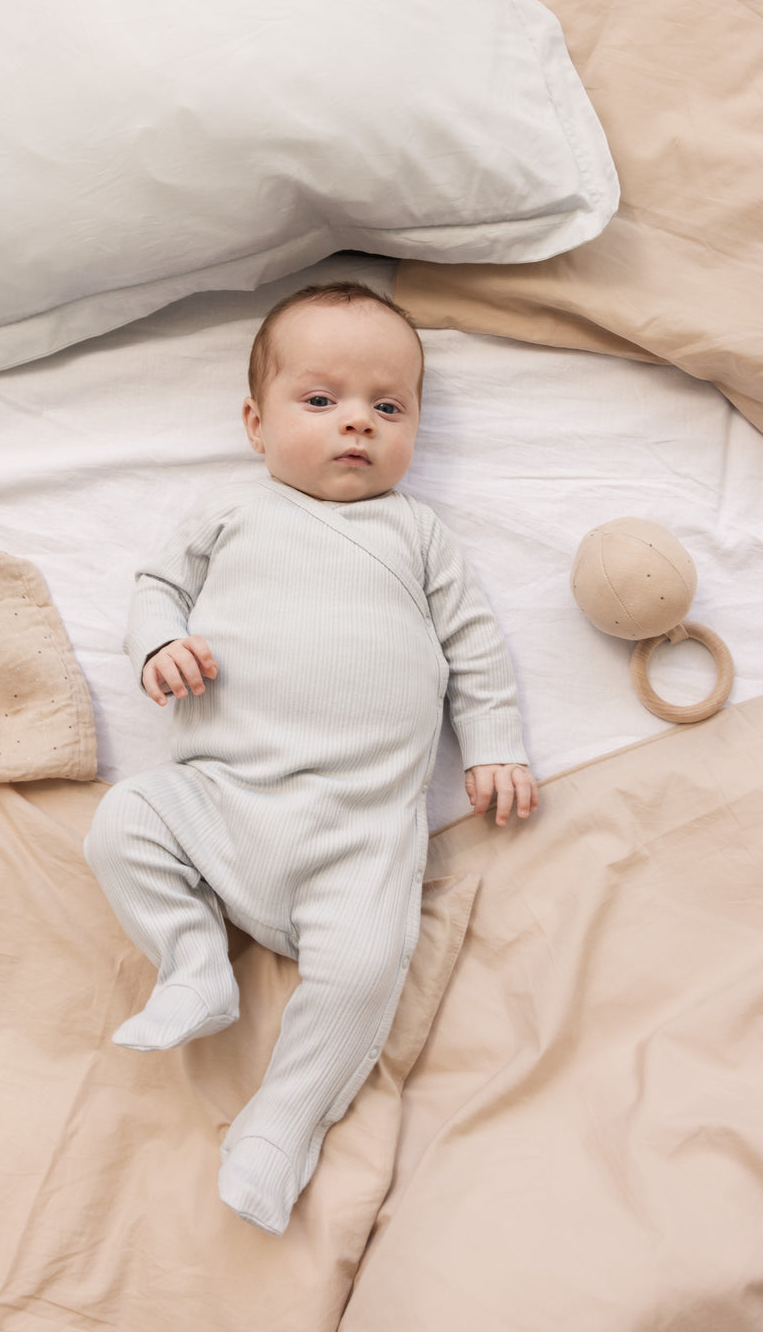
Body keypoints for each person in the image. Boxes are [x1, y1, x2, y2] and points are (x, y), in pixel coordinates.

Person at [85, 280, 538, 1235]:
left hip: (360, 828)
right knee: (123, 822)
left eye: (388, 406)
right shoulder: (230, 512)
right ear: (256, 421)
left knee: (369, 968)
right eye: (320, 401)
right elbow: (155, 587)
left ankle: (281, 1126)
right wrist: (158, 645)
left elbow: (476, 647)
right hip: (223, 794)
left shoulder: (418, 534)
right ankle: (192, 962)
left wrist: (494, 742)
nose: (357, 427)